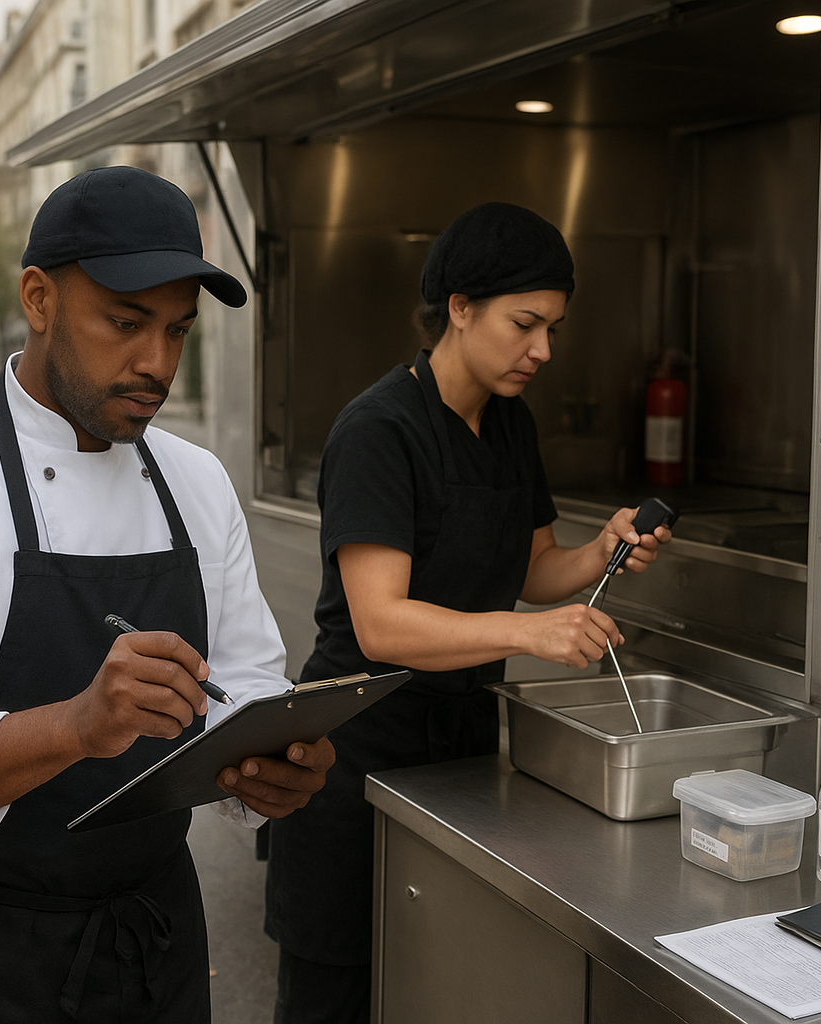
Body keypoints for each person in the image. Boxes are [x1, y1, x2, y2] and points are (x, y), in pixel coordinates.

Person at [0, 165, 334, 1023]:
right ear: (38, 298)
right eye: (126, 323)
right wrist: (77, 727)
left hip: (156, 943)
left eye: (178, 331)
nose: (156, 363)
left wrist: (266, 768)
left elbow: (249, 680)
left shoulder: (198, 483)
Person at [263, 202, 671, 1023]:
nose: (543, 350)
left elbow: (532, 567)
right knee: (335, 999)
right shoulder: (379, 429)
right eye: (525, 324)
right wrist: (527, 633)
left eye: (552, 328)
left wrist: (603, 552)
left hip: (462, 762)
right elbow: (381, 625)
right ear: (458, 308)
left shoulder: (510, 425)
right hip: (351, 758)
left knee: (440, 985)